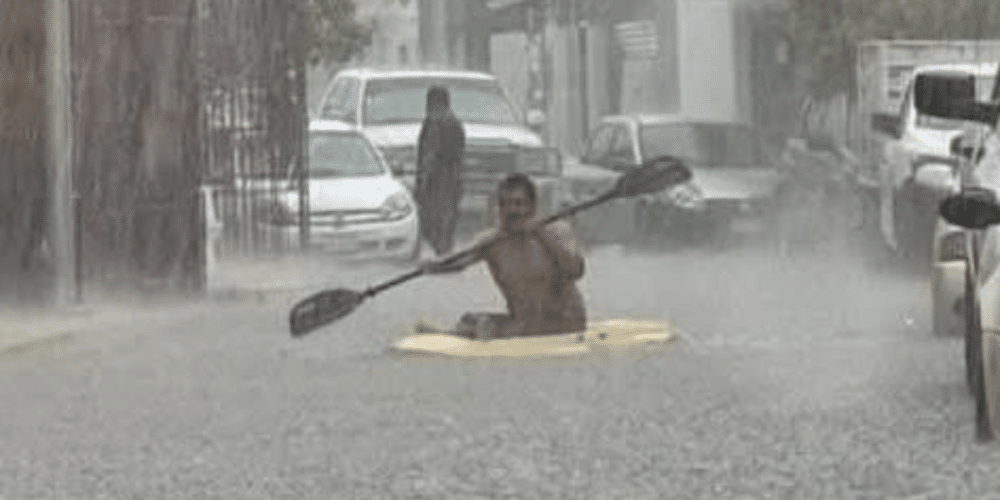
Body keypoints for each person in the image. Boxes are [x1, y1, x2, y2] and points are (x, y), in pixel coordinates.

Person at [422, 173, 587, 339]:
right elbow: (457, 262)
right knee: (470, 319)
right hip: (522, 322)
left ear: (533, 206)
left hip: (566, 323)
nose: (511, 211)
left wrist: (542, 233)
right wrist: (430, 265)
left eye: (518, 204)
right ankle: (453, 333)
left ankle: (452, 333)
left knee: (484, 327)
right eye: (505, 204)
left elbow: (576, 270)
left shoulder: (558, 231)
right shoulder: (491, 241)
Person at [415, 85, 466, 257]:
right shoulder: (440, 121)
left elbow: (436, 155)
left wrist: (423, 181)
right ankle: (443, 253)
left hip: (441, 182)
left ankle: (443, 255)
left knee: (439, 223)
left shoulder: (443, 123)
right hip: (441, 181)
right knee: (437, 223)